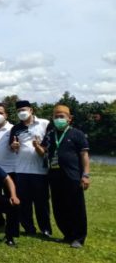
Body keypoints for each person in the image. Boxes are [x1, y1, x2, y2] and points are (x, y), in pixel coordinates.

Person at [42, 104, 90, 248]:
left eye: (61, 116)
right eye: (55, 117)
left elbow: (84, 155)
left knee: (76, 207)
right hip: (55, 176)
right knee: (59, 207)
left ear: (69, 118)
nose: (58, 119)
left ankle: (79, 238)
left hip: (73, 176)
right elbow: (43, 152)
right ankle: (67, 235)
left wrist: (86, 175)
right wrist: (36, 146)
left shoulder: (77, 134)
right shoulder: (50, 135)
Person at [10, 100, 52, 237]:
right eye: (18, 111)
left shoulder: (44, 124)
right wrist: (14, 146)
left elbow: (51, 144)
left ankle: (45, 229)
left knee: (42, 202)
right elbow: (12, 145)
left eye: (24, 109)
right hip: (21, 170)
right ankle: (28, 228)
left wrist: (40, 146)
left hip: (40, 170)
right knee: (24, 203)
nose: (22, 113)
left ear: (31, 110)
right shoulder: (15, 128)